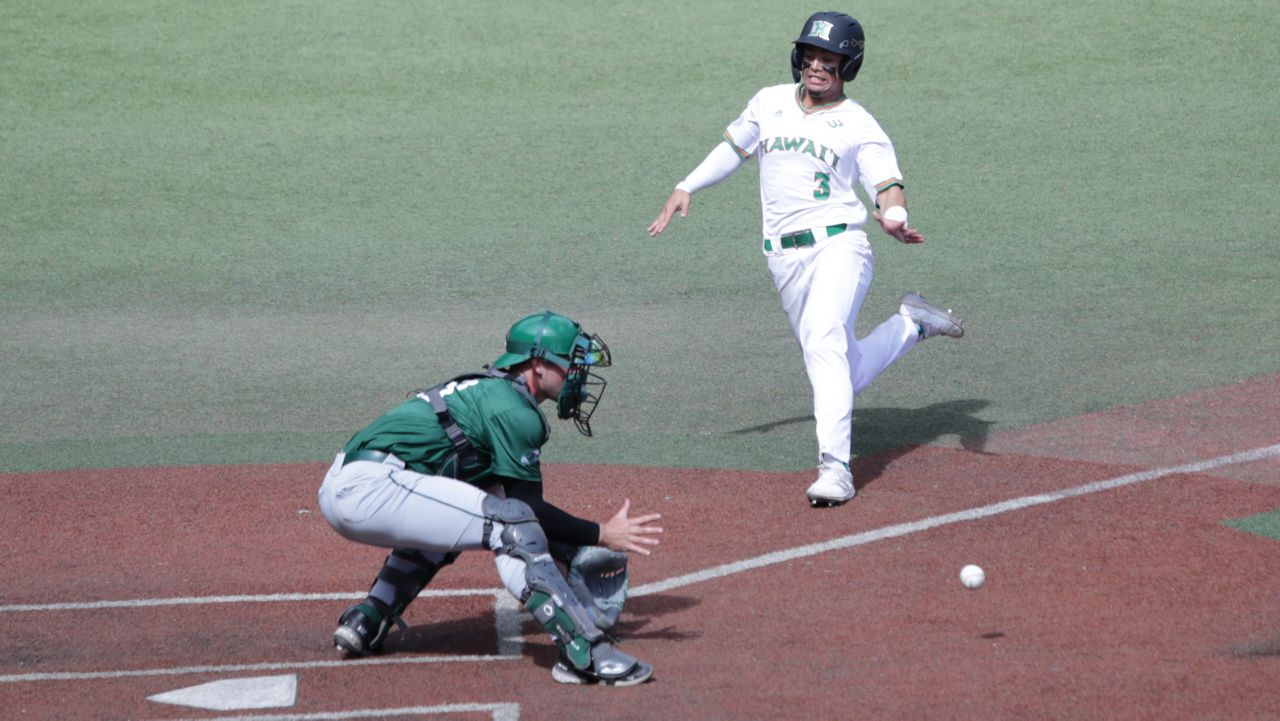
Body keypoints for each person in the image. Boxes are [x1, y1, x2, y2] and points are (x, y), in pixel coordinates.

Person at [649, 11, 964, 508]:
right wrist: (687, 186)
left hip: (841, 245)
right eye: (811, 57)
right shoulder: (769, 101)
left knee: (822, 339)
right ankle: (912, 325)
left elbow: (886, 183)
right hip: (783, 259)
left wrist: (893, 215)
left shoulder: (859, 124)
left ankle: (836, 469)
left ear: (848, 66)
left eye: (830, 60)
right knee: (840, 369)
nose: (818, 67)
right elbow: (734, 147)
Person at [317, 310, 662, 686]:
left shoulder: (487, 395)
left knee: (469, 518)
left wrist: (568, 552)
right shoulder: (513, 410)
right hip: (370, 488)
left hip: (357, 485)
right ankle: (586, 652)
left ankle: (368, 618)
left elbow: (506, 506)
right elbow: (528, 513)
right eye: (571, 365)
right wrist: (600, 534)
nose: (578, 377)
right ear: (538, 364)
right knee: (512, 524)